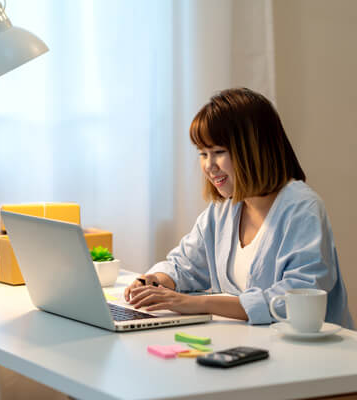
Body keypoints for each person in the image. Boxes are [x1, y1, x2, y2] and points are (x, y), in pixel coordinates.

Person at [124, 87, 354, 329]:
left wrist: (199, 303)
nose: (209, 166)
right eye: (203, 154)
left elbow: (295, 299)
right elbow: (184, 266)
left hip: (311, 356)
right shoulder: (222, 210)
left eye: (218, 152)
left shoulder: (302, 209)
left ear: (254, 150)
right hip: (253, 346)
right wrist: (152, 281)